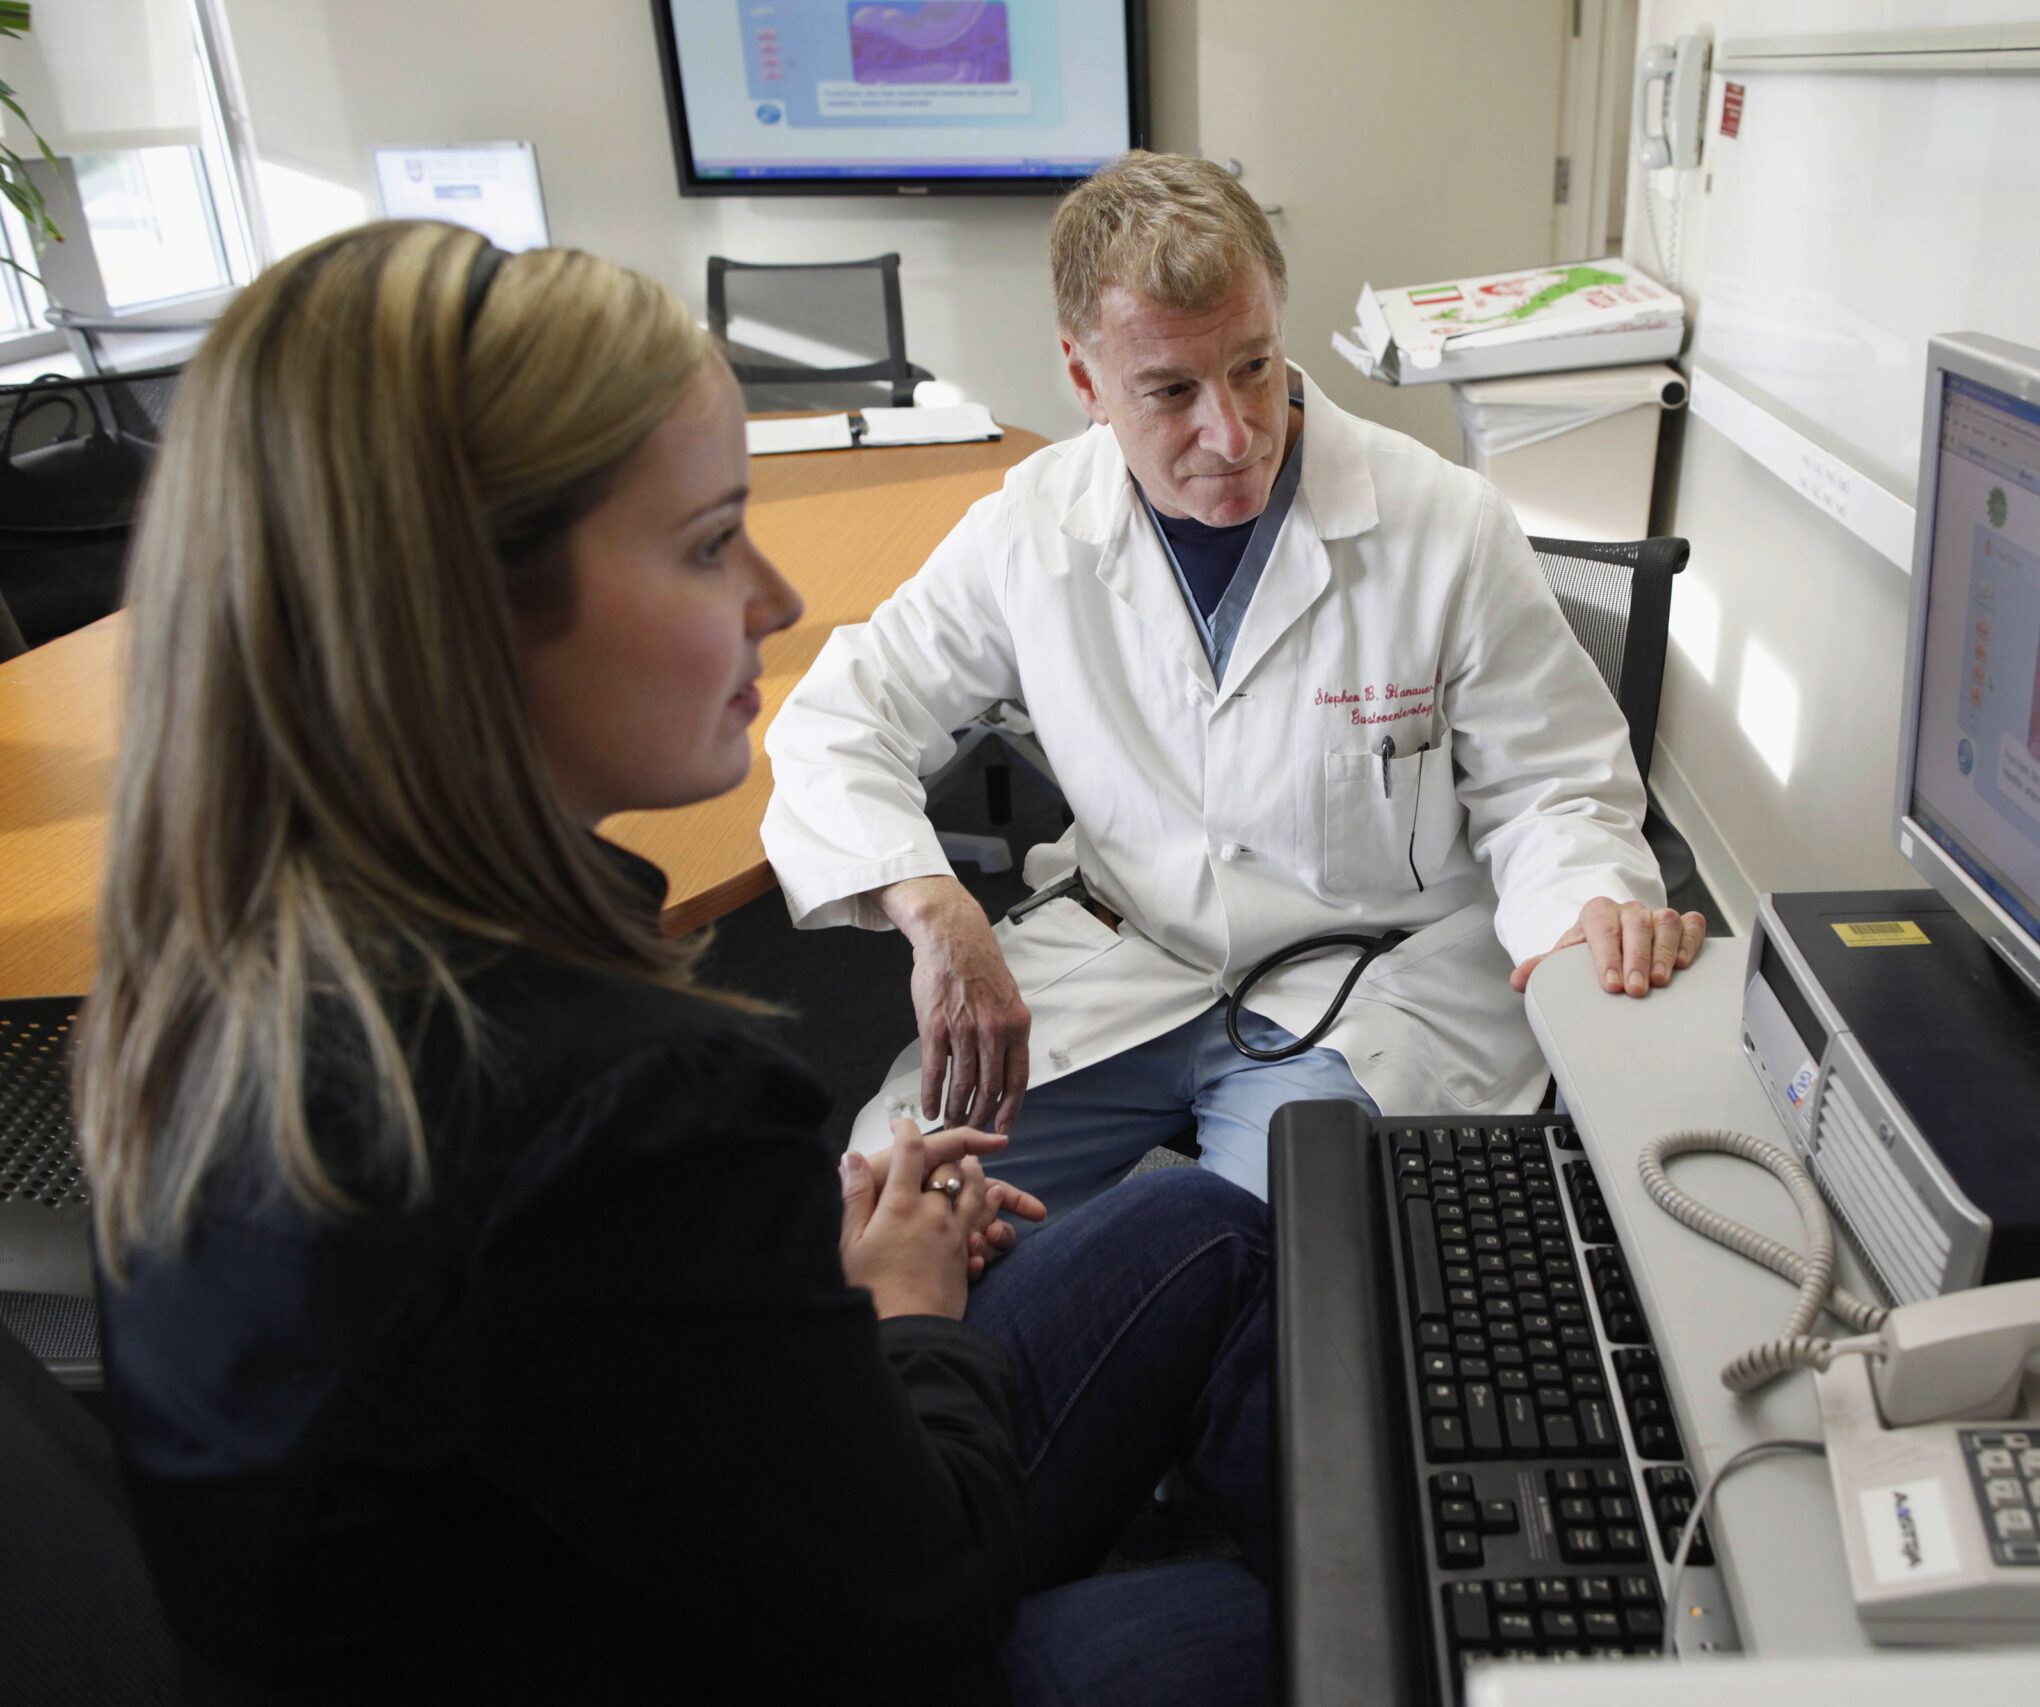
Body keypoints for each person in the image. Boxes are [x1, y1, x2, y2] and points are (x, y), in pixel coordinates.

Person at [78, 220, 1273, 1706]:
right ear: (469, 610)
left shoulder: (224, 959)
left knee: (1211, 1226)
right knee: (1284, 1631)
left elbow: (601, 1388)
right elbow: (919, 1612)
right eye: (711, 541)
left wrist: (788, 1287)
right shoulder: (626, 1102)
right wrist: (898, 1310)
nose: (772, 601)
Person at [764, 151, 1708, 1214]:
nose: (1233, 430)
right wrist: (936, 909)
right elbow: (839, 720)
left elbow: (1552, 789)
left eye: (1253, 367)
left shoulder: (1441, 524)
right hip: (1129, 960)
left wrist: (1588, 915)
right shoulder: (1031, 527)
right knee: (889, 1205)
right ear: (1084, 382)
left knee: (1275, 1269)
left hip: (1361, 989)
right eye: (1169, 391)